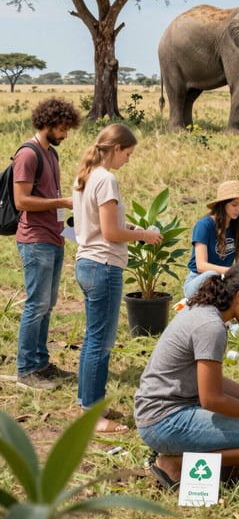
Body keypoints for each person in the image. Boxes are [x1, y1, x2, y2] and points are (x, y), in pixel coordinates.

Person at [134, 262, 239, 490]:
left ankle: (209, 461)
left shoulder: (203, 309)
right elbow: (212, 399)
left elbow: (208, 381)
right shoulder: (211, 327)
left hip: (163, 410)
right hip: (162, 420)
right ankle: (173, 463)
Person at [72, 123, 163, 433]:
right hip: (104, 266)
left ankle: (89, 403)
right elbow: (110, 233)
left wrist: (134, 231)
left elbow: (100, 226)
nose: (129, 159)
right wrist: (145, 236)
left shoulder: (84, 176)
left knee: (92, 339)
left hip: (86, 262)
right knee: (101, 342)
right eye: (128, 153)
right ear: (115, 149)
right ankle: (93, 415)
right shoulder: (107, 180)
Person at [13, 98, 81, 390]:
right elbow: (22, 201)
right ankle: (27, 370)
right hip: (35, 240)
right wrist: (63, 201)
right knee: (36, 304)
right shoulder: (28, 155)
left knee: (48, 304)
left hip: (53, 239)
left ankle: (41, 363)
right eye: (63, 128)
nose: (66, 134)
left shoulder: (51, 155)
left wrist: (66, 234)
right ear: (48, 123)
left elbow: (53, 197)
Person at [183, 180, 239, 299]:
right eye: (234, 205)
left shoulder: (238, 229)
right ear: (223, 204)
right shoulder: (204, 225)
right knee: (212, 275)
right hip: (199, 280)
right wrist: (231, 271)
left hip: (223, 281)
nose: (238, 209)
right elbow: (201, 266)